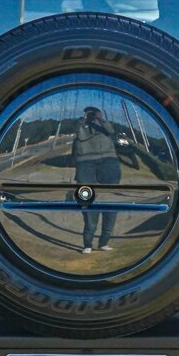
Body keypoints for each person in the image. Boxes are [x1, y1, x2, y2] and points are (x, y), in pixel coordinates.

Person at [72, 106, 121, 253]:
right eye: (89, 112)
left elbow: (111, 131)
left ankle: (104, 243)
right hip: (85, 160)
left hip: (108, 158)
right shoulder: (80, 123)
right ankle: (88, 244)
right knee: (87, 198)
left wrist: (101, 119)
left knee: (111, 199)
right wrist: (84, 119)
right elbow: (76, 132)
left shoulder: (103, 123)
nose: (92, 115)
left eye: (95, 112)